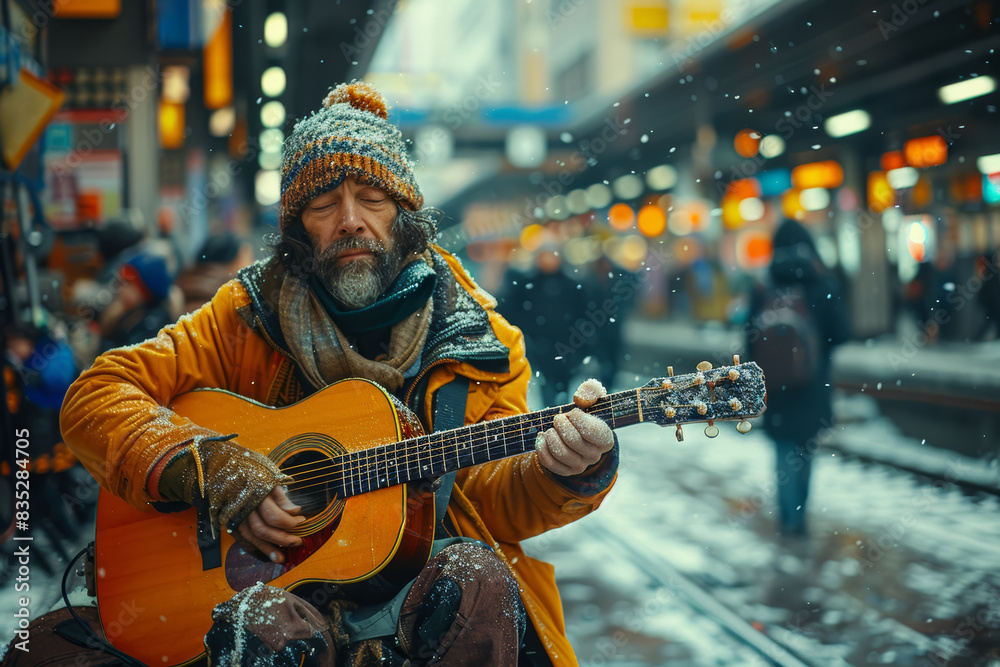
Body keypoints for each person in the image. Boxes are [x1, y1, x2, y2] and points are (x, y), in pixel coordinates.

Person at [60, 81, 619, 666]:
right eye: (324, 204)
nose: (350, 220)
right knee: (264, 628)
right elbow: (95, 396)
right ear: (300, 228)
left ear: (404, 214)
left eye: (372, 197)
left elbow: (491, 500)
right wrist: (206, 465)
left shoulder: (485, 342)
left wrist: (568, 472)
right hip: (271, 584)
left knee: (479, 577)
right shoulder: (244, 316)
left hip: (419, 591)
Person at [746, 219, 849, 537]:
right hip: (812, 386)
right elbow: (842, 333)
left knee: (782, 452)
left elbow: (749, 338)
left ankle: (789, 518)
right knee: (805, 451)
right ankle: (798, 518)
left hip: (774, 388)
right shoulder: (820, 282)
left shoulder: (763, 285)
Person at [175, 232, 255, 313]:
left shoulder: (184, 288)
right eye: (249, 259)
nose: (253, 264)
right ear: (230, 265)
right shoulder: (222, 305)